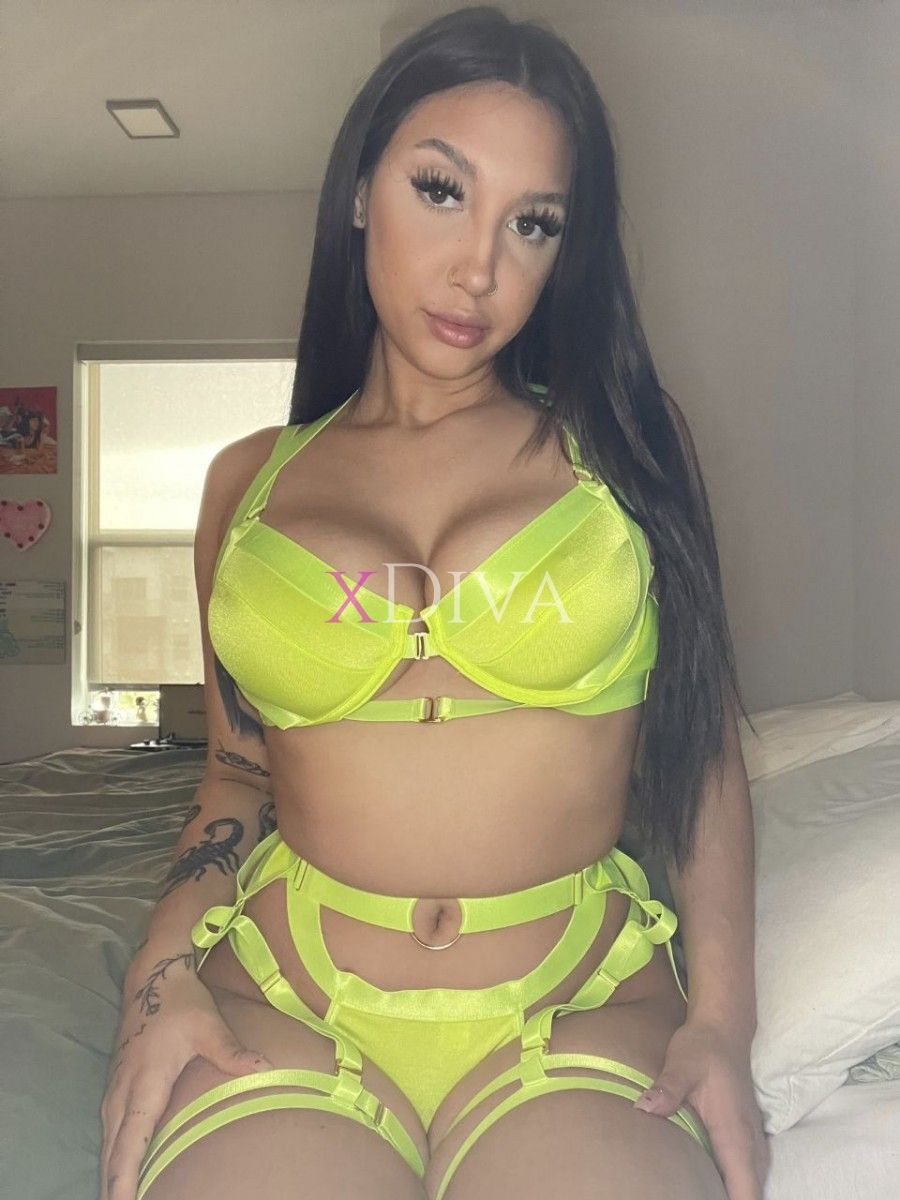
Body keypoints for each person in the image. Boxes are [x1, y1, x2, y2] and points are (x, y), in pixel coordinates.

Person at [99, 7, 770, 1200]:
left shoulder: (626, 443)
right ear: (362, 191)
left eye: (534, 222)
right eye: (442, 191)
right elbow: (237, 777)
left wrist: (722, 1021)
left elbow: (701, 745)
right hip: (285, 993)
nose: (480, 269)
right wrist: (159, 981)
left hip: (576, 999)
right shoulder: (246, 486)